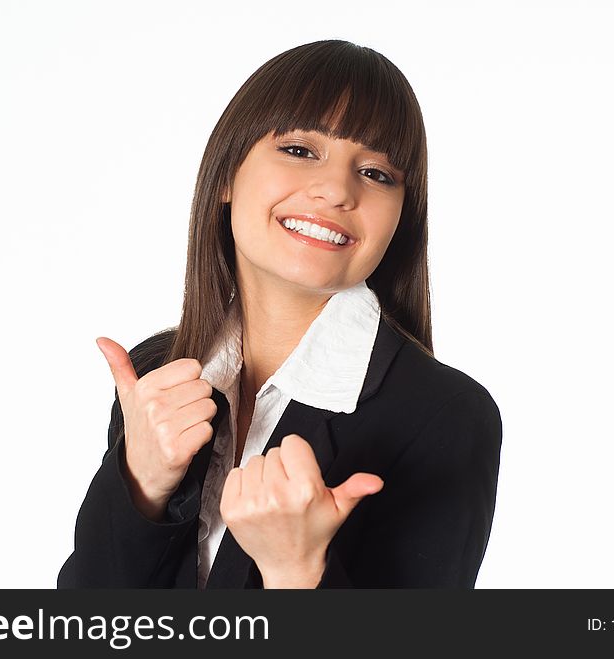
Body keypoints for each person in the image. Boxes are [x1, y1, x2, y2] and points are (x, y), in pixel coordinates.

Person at [58, 39, 503, 589]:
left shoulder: (448, 416)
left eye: (377, 172)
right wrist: (142, 484)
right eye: (300, 150)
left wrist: (295, 573)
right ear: (226, 177)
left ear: (400, 220)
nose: (337, 190)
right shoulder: (161, 371)